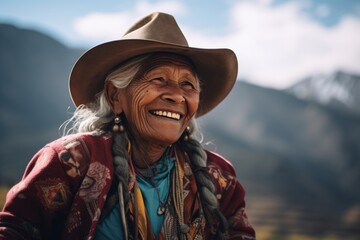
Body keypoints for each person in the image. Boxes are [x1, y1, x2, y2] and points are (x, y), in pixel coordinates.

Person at [0, 12, 255, 240]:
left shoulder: (219, 177)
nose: (177, 95)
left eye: (188, 84)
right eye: (159, 78)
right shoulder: (71, 162)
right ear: (115, 96)